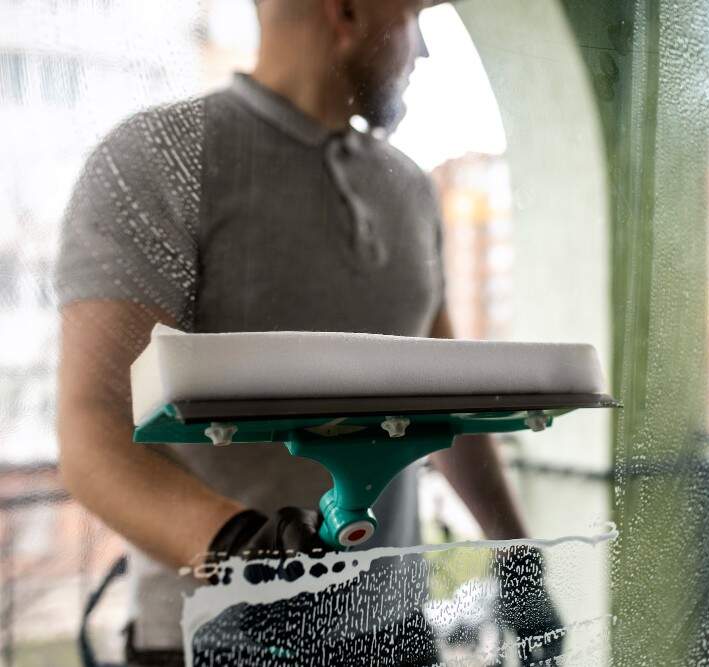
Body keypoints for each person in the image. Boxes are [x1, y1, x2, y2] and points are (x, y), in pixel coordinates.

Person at [55, 0, 560, 664]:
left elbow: (448, 398)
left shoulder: (409, 188)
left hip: (396, 632)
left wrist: (516, 556)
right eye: (410, 18)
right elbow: (94, 427)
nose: (424, 52)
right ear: (346, 13)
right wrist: (240, 549)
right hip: (211, 636)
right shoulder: (160, 158)